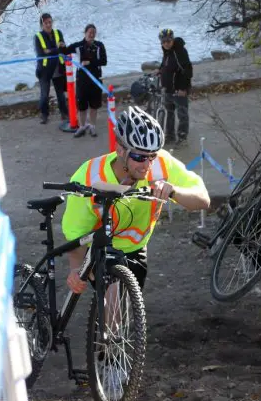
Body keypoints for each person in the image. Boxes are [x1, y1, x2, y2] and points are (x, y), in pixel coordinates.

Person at [61, 106, 210, 295]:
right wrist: (75, 268)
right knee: (113, 299)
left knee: (128, 308)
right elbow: (76, 234)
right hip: (100, 248)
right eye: (139, 157)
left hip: (136, 247)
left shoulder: (161, 164)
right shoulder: (88, 177)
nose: (147, 165)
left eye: (152, 156)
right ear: (120, 150)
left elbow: (203, 200)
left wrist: (174, 192)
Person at [61, 24, 108, 138]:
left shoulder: (99, 45)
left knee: (94, 105)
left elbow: (104, 61)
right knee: (81, 105)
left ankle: (92, 126)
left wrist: (90, 63)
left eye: (94, 32)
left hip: (96, 79)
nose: (92, 34)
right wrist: (61, 46)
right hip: (82, 80)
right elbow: (65, 51)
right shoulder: (78, 46)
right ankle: (81, 126)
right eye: (90, 32)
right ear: (85, 32)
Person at [157, 28, 193, 146]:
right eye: (163, 41)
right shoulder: (167, 51)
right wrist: (159, 70)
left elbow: (187, 70)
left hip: (178, 90)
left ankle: (182, 138)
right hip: (168, 89)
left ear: (172, 39)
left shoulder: (179, 51)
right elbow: (166, 65)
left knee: (182, 114)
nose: (166, 43)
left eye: (168, 40)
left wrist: (183, 89)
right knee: (170, 113)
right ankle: (170, 136)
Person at [34, 13, 68, 125]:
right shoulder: (38, 37)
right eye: (46, 23)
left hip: (58, 68)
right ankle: (44, 115)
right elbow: (41, 53)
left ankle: (64, 113)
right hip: (44, 70)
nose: (48, 25)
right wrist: (56, 48)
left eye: (50, 22)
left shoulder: (58, 33)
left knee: (60, 94)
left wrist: (50, 50)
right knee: (44, 94)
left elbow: (63, 49)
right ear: (42, 24)